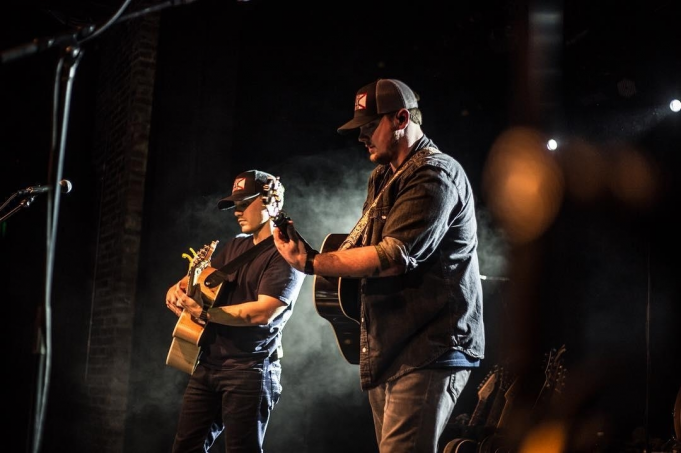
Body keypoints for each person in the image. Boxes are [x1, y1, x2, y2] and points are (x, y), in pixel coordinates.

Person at [273, 79, 485, 453]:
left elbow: (392, 257)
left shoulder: (434, 174)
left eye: (370, 127)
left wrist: (311, 262)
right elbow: (365, 249)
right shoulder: (383, 177)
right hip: (391, 347)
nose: (362, 137)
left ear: (401, 118)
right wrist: (312, 254)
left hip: (430, 345)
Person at [165, 169, 306, 453]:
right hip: (209, 364)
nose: (236, 211)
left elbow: (263, 313)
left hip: (250, 370)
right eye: (235, 205)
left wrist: (206, 315)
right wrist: (175, 290)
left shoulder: (287, 252)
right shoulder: (235, 245)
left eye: (244, 203)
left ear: (271, 202)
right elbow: (204, 278)